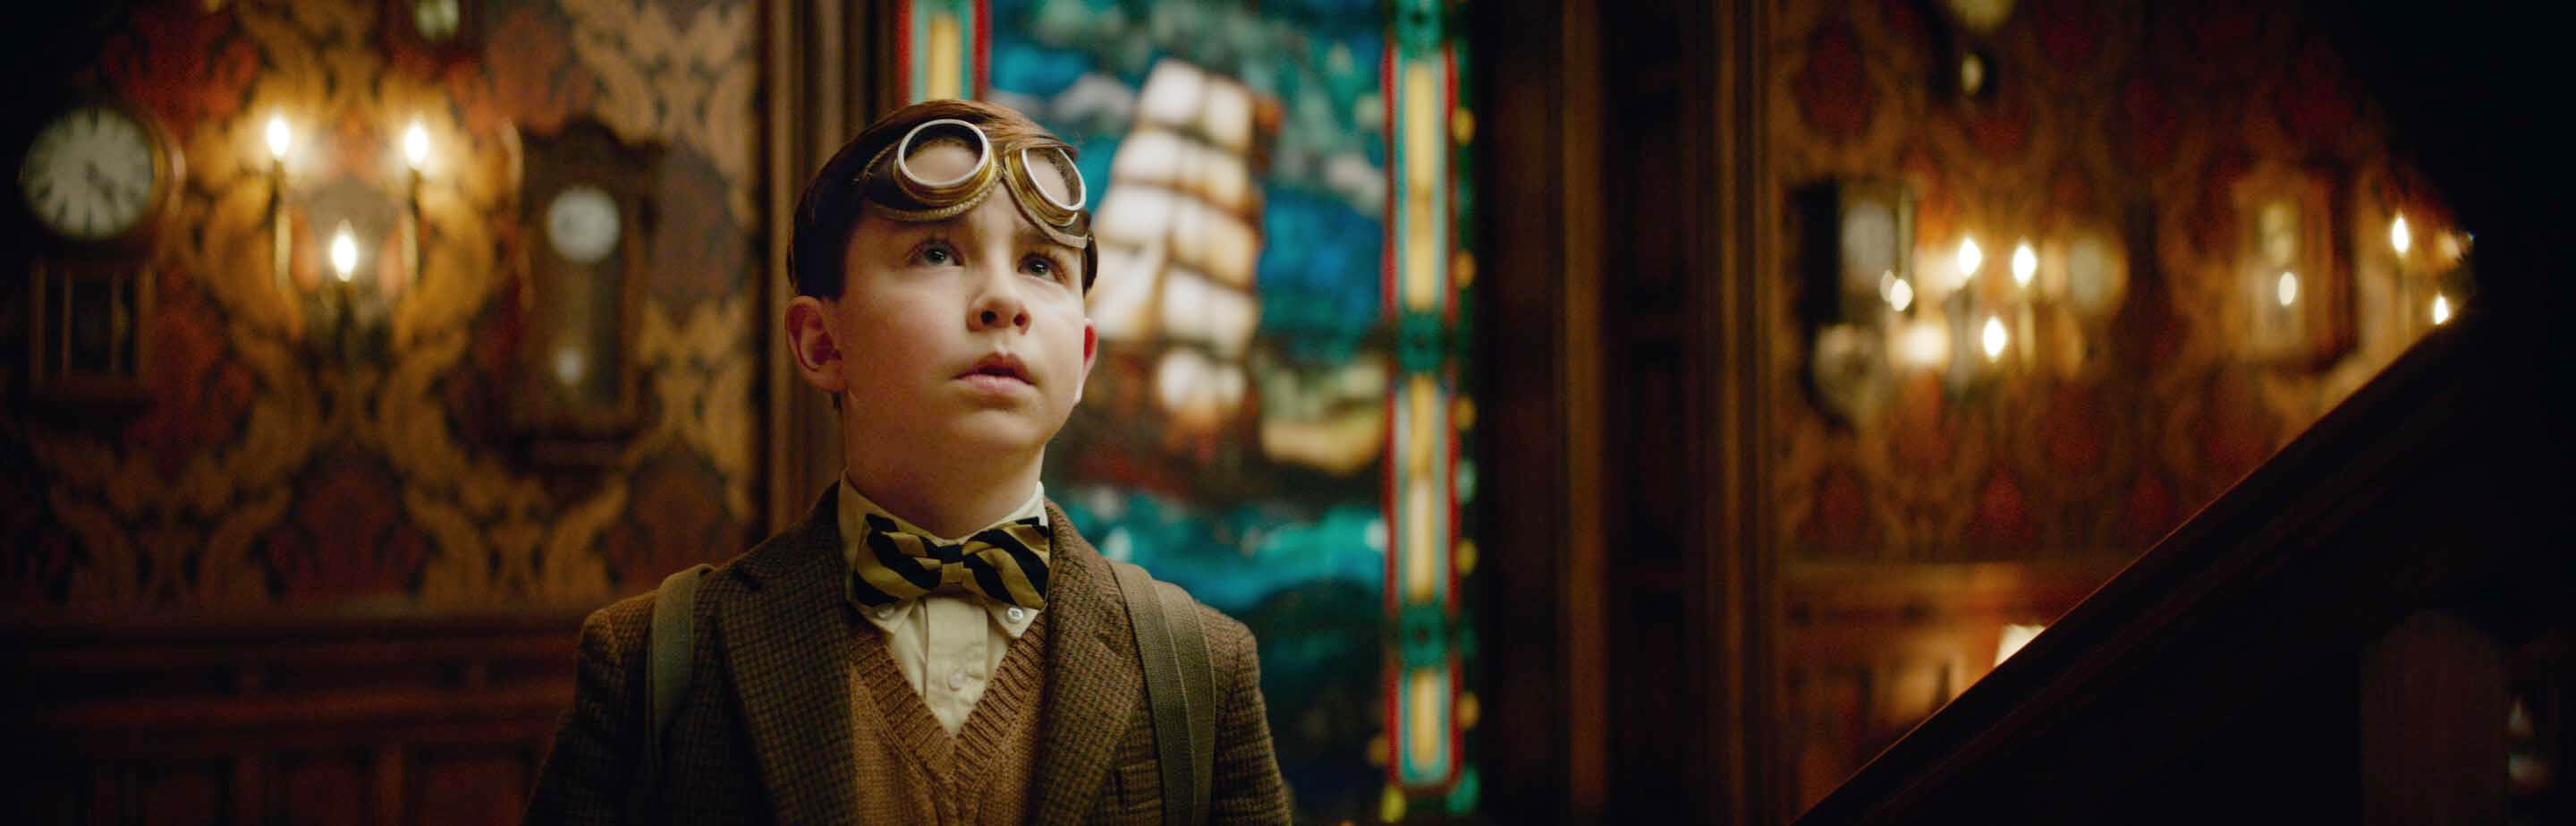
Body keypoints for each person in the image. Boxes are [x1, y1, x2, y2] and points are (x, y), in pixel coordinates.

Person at [525, 98, 1290, 824]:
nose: (1003, 301)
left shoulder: (1202, 672)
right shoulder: (657, 665)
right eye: (937, 252)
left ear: (1083, 358)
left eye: (1041, 265)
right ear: (822, 343)